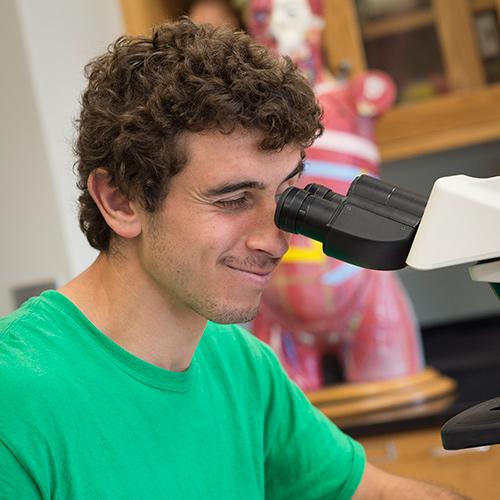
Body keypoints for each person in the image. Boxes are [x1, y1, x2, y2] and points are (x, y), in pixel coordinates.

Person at [0, 18, 464, 499]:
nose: (277, 240)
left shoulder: (241, 366)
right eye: (233, 199)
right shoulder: (16, 401)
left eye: (284, 195)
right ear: (120, 200)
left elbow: (378, 494)